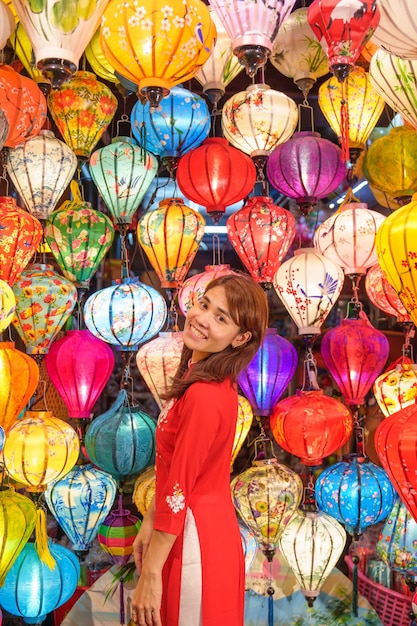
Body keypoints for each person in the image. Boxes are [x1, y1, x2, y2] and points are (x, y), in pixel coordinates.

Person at [131, 273, 269, 626]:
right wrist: (149, 521)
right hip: (191, 529)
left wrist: (151, 574)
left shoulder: (205, 396)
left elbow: (180, 488)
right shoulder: (205, 381)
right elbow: (177, 470)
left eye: (221, 318)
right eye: (204, 305)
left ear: (241, 338)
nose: (202, 318)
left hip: (194, 540)